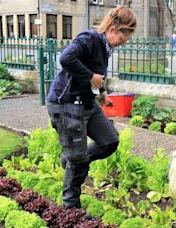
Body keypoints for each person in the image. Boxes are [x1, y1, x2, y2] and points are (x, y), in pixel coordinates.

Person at [46, 6, 137, 209]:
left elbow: (96, 74)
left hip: (87, 103)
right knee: (78, 161)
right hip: (66, 104)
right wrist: (90, 77)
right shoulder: (89, 38)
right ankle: (70, 207)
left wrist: (102, 92)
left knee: (109, 141)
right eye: (124, 37)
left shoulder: (105, 47)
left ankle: (71, 158)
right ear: (115, 28)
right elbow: (66, 58)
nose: (124, 42)